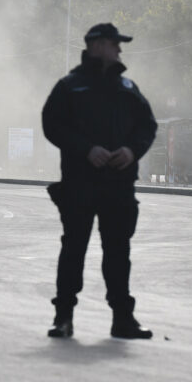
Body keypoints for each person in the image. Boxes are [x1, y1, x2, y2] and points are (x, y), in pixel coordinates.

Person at [41, 23, 158, 340]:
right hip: (79, 184)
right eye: (114, 44)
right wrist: (85, 149)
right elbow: (51, 125)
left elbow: (147, 127)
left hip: (118, 186)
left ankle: (123, 320)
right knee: (73, 250)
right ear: (96, 46)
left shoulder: (127, 88)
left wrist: (132, 151)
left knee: (118, 253)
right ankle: (63, 317)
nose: (119, 50)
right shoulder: (70, 87)